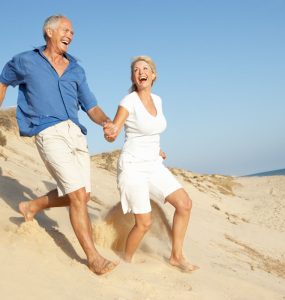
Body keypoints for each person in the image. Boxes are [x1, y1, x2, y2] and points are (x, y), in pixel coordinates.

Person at [0, 15, 118, 275]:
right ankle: (93, 258)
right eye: (66, 30)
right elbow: (4, 79)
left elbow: (92, 107)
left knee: (82, 195)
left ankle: (32, 206)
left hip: (76, 133)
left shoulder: (76, 69)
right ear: (49, 32)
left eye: (73, 32)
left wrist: (107, 122)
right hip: (48, 131)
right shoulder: (25, 61)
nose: (71, 35)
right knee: (77, 196)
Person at [104, 56, 198, 272]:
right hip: (133, 166)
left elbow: (150, 131)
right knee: (144, 223)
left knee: (184, 204)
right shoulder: (129, 101)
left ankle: (176, 256)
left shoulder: (158, 99)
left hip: (153, 164)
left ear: (153, 75)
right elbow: (115, 130)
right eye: (136, 70)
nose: (140, 72)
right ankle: (126, 261)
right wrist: (110, 132)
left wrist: (156, 149)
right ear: (133, 77)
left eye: (145, 69)